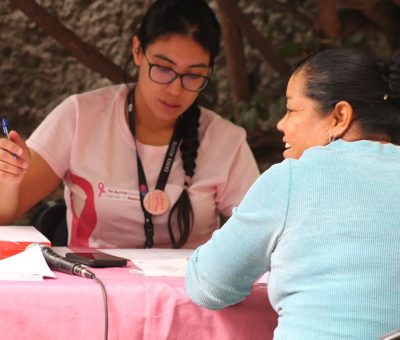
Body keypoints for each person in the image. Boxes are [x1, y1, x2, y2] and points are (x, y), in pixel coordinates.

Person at [0, 0, 259, 249]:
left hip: (190, 292)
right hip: (95, 286)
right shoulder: (80, 117)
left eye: (193, 75)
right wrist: (8, 177)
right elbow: (5, 214)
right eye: (163, 68)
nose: (174, 89)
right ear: (137, 51)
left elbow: (262, 234)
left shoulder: (227, 140)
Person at [186, 47, 400, 339]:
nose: (280, 124)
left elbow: (209, 285)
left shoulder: (292, 179)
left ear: (339, 116)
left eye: (291, 110)